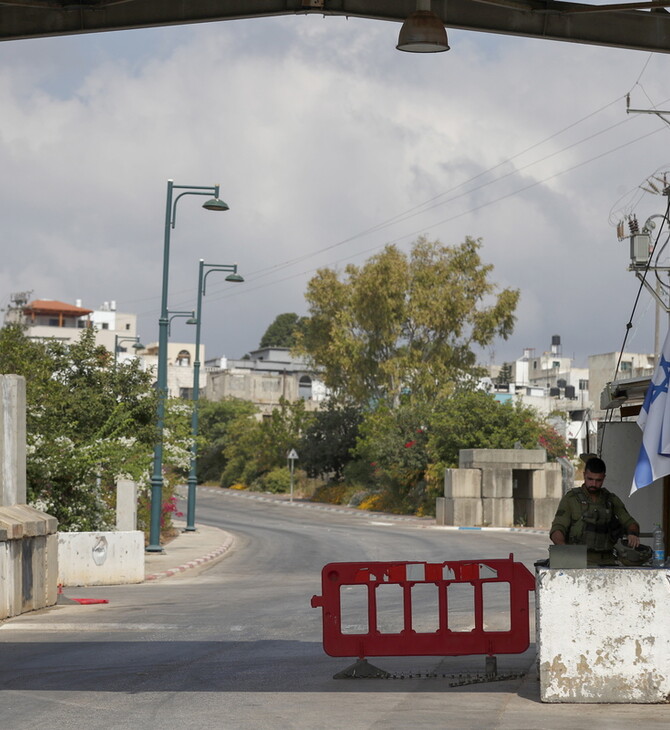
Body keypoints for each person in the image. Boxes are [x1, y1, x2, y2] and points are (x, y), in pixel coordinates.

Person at [550, 456, 640, 565]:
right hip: (579, 558)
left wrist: (633, 534)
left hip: (607, 559)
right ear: (584, 475)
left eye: (598, 480)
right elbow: (557, 529)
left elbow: (631, 523)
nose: (593, 484)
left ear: (604, 478)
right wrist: (565, 551)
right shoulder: (571, 499)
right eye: (590, 479)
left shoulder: (610, 499)